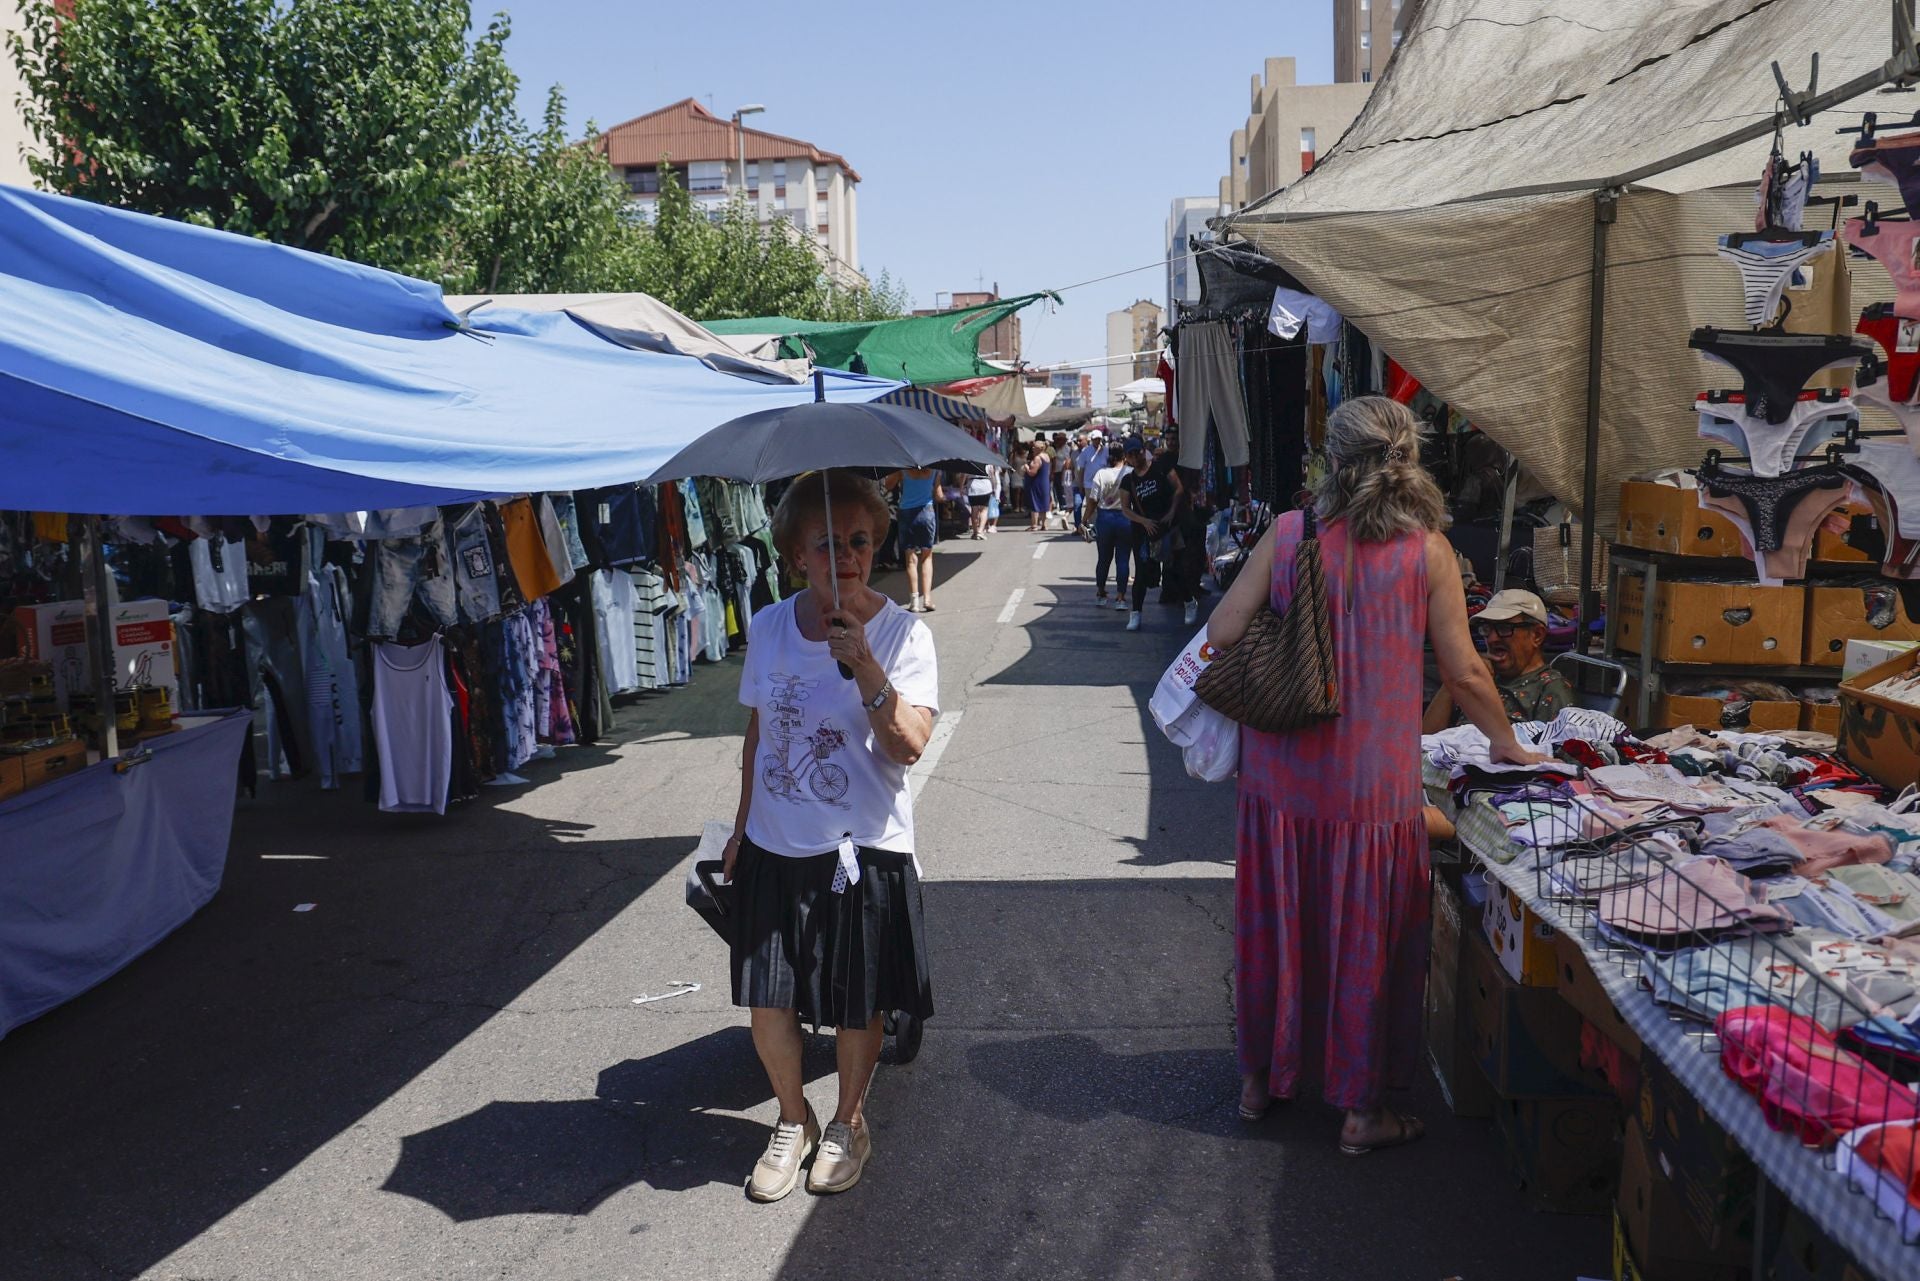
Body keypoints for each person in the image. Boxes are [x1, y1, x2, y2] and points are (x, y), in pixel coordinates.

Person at [1206, 395, 1544, 1154]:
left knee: (1278, 930)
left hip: (1281, 784)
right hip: (1372, 791)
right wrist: (1510, 745)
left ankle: (1259, 1083)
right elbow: (1463, 670)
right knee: (1366, 940)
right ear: (1408, 458)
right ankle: (1360, 1111)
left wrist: (1293, 625)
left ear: (1334, 458)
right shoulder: (1429, 550)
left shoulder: (1289, 533)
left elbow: (1223, 630)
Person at [725, 469, 939, 1202]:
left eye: (859, 540)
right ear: (795, 556)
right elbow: (758, 733)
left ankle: (849, 1119)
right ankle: (794, 1120)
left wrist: (867, 666)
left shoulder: (905, 633)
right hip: (775, 842)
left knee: (857, 1000)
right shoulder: (769, 626)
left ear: (877, 543)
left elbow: (909, 745)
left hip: (862, 848)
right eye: (827, 543)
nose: (846, 555)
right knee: (767, 999)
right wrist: (741, 824)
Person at [1420, 589, 1574, 732]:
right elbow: (1424, 740)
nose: (1492, 639)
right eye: (1487, 629)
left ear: (1537, 635)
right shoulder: (1475, 679)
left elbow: (1552, 754)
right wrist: (1456, 679)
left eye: (1504, 628)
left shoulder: (1550, 688)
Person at [1116, 435, 1181, 631]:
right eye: (1130, 454)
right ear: (1126, 457)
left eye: (1137, 452)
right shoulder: (1128, 480)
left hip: (1167, 528)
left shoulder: (1160, 468)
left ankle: (1189, 602)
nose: (1135, 457)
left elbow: (1178, 489)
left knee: (1177, 567)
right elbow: (1125, 509)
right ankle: (1136, 613)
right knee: (1141, 574)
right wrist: (1143, 521)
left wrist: (1171, 512)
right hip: (1142, 533)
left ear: (1144, 450)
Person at [1085, 443, 1133, 609]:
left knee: (1103, 559)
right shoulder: (1130, 472)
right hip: (1126, 518)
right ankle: (1120, 597)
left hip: (1105, 518)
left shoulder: (1101, 474)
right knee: (1123, 559)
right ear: (1124, 456)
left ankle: (1101, 592)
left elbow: (1093, 500)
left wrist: (1084, 520)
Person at [886, 466, 939, 612]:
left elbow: (888, 485)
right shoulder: (935, 470)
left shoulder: (902, 470)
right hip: (926, 512)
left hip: (906, 513)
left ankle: (914, 602)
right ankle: (927, 599)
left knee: (910, 559)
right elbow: (938, 495)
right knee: (927, 557)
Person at [1074, 431, 1106, 541]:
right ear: (1091, 440)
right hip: (1089, 484)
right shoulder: (1086, 452)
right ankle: (1094, 530)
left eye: (1099, 439)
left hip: (1104, 484)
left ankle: (1102, 529)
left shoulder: (1106, 451)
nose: (1097, 441)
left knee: (1102, 507)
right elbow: (1081, 469)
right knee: (1092, 508)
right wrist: (1081, 484)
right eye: (1095, 439)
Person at [1024, 438, 1053, 532]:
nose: (1032, 448)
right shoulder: (1047, 456)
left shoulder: (1038, 458)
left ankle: (1034, 525)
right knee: (1044, 504)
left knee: (1035, 503)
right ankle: (1044, 524)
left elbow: (1032, 473)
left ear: (1039, 448)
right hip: (1045, 482)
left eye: (1034, 447)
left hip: (1037, 482)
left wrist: (1026, 467)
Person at [965, 466, 994, 540]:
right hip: (985, 486)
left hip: (973, 486)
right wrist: (993, 486)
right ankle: (980, 531)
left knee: (974, 509)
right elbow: (992, 475)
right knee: (984, 509)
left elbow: (963, 475)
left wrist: (961, 486)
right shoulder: (988, 462)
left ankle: (975, 532)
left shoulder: (969, 462)